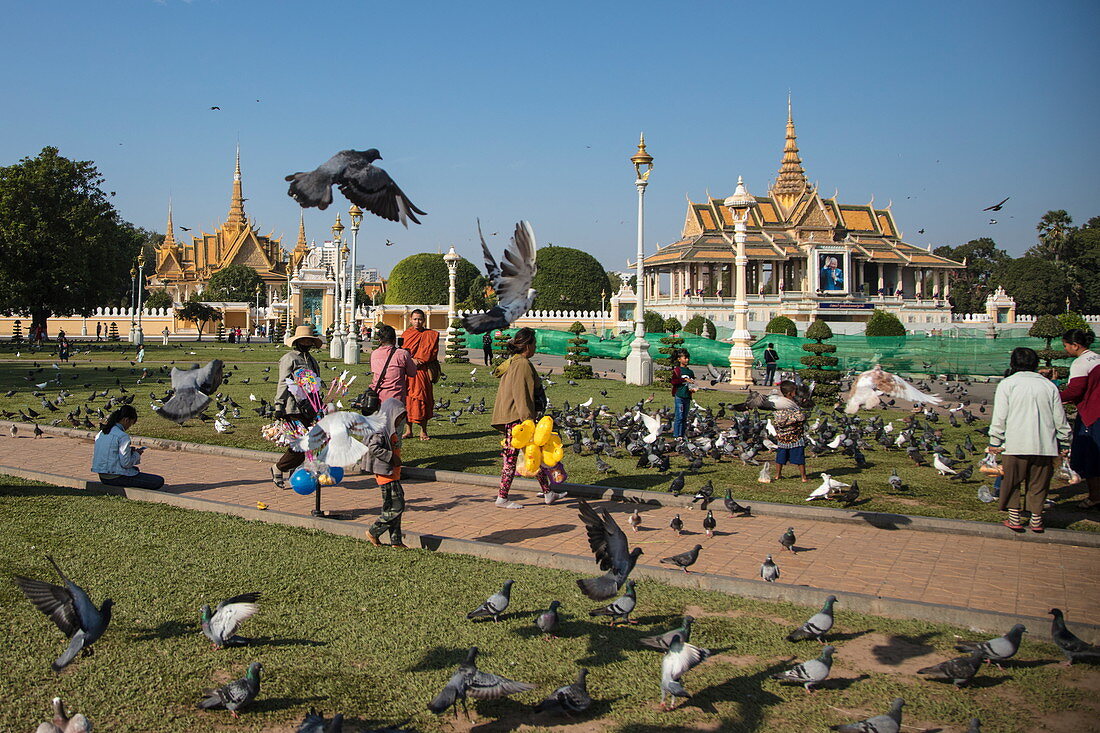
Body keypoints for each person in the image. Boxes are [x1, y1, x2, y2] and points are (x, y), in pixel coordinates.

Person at [988, 347, 1070, 533]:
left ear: (1013, 363)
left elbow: (1000, 417)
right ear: (1035, 364)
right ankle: (1036, 519)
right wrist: (1064, 441)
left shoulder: (1008, 384)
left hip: (1015, 443)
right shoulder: (1049, 386)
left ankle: (1014, 517)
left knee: (1013, 481)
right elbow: (1060, 418)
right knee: (1039, 484)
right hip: (1044, 445)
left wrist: (995, 441)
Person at [491, 327, 563, 508]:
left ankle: (548, 493)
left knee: (533, 454)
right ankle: (502, 497)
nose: (536, 348)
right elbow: (521, 393)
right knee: (511, 458)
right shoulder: (522, 364)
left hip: (517, 417)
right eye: (534, 344)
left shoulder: (513, 361)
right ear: (527, 345)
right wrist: (527, 419)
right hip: (518, 419)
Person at [270, 325, 326, 489]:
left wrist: (319, 404)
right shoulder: (290, 358)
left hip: (310, 408)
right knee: (300, 444)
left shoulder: (311, 360)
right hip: (293, 407)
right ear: (298, 341)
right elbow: (283, 382)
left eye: (310, 340)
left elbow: (315, 383)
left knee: (309, 443)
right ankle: (278, 468)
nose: (307, 343)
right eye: (304, 340)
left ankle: (293, 470)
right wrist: (279, 405)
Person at [1060, 328, 1100, 510]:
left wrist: (1054, 396)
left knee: (1091, 456)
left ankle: (1095, 496)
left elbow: (1076, 390)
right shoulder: (1097, 357)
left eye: (1066, 346)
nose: (1066, 349)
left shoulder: (1080, 363)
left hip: (1092, 414)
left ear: (1075, 345)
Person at [362, 398, 408, 549]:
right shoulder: (380, 430)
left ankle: (396, 541)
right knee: (397, 507)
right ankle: (374, 531)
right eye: (399, 417)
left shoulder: (389, 428)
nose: (400, 421)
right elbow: (373, 447)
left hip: (393, 473)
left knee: (393, 508)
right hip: (386, 475)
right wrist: (390, 457)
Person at [91, 405, 164, 489]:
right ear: (126, 420)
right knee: (158, 481)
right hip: (115, 477)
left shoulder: (102, 432)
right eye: (130, 423)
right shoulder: (122, 436)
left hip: (103, 476)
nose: (129, 427)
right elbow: (126, 463)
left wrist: (129, 451)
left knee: (135, 470)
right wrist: (137, 454)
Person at [401, 309, 440, 441]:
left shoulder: (431, 335)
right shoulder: (406, 334)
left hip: (422, 372)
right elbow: (401, 352)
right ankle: (408, 430)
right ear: (410, 320)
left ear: (424, 320)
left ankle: (423, 431)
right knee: (407, 400)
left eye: (420, 319)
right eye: (415, 319)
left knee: (423, 400)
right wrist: (410, 360)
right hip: (408, 373)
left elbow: (432, 353)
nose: (417, 322)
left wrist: (420, 359)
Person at [369, 325, 417, 405]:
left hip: (378, 397)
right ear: (395, 340)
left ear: (380, 340)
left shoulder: (374, 353)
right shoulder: (402, 354)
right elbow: (412, 372)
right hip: (396, 397)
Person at [773, 381, 809, 482]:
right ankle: (803, 477)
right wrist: (797, 418)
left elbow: (778, 420)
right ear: (790, 393)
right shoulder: (792, 405)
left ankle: (777, 475)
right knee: (800, 458)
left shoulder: (777, 404)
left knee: (780, 457)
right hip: (795, 436)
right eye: (795, 391)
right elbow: (800, 417)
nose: (796, 393)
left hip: (782, 437)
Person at [670, 348, 695, 439]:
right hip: (679, 395)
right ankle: (677, 435)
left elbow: (692, 383)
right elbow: (673, 381)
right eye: (685, 358)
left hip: (687, 396)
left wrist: (693, 389)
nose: (687, 360)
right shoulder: (677, 370)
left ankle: (682, 434)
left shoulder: (690, 372)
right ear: (679, 359)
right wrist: (684, 379)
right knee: (679, 416)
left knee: (685, 417)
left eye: (687, 358)